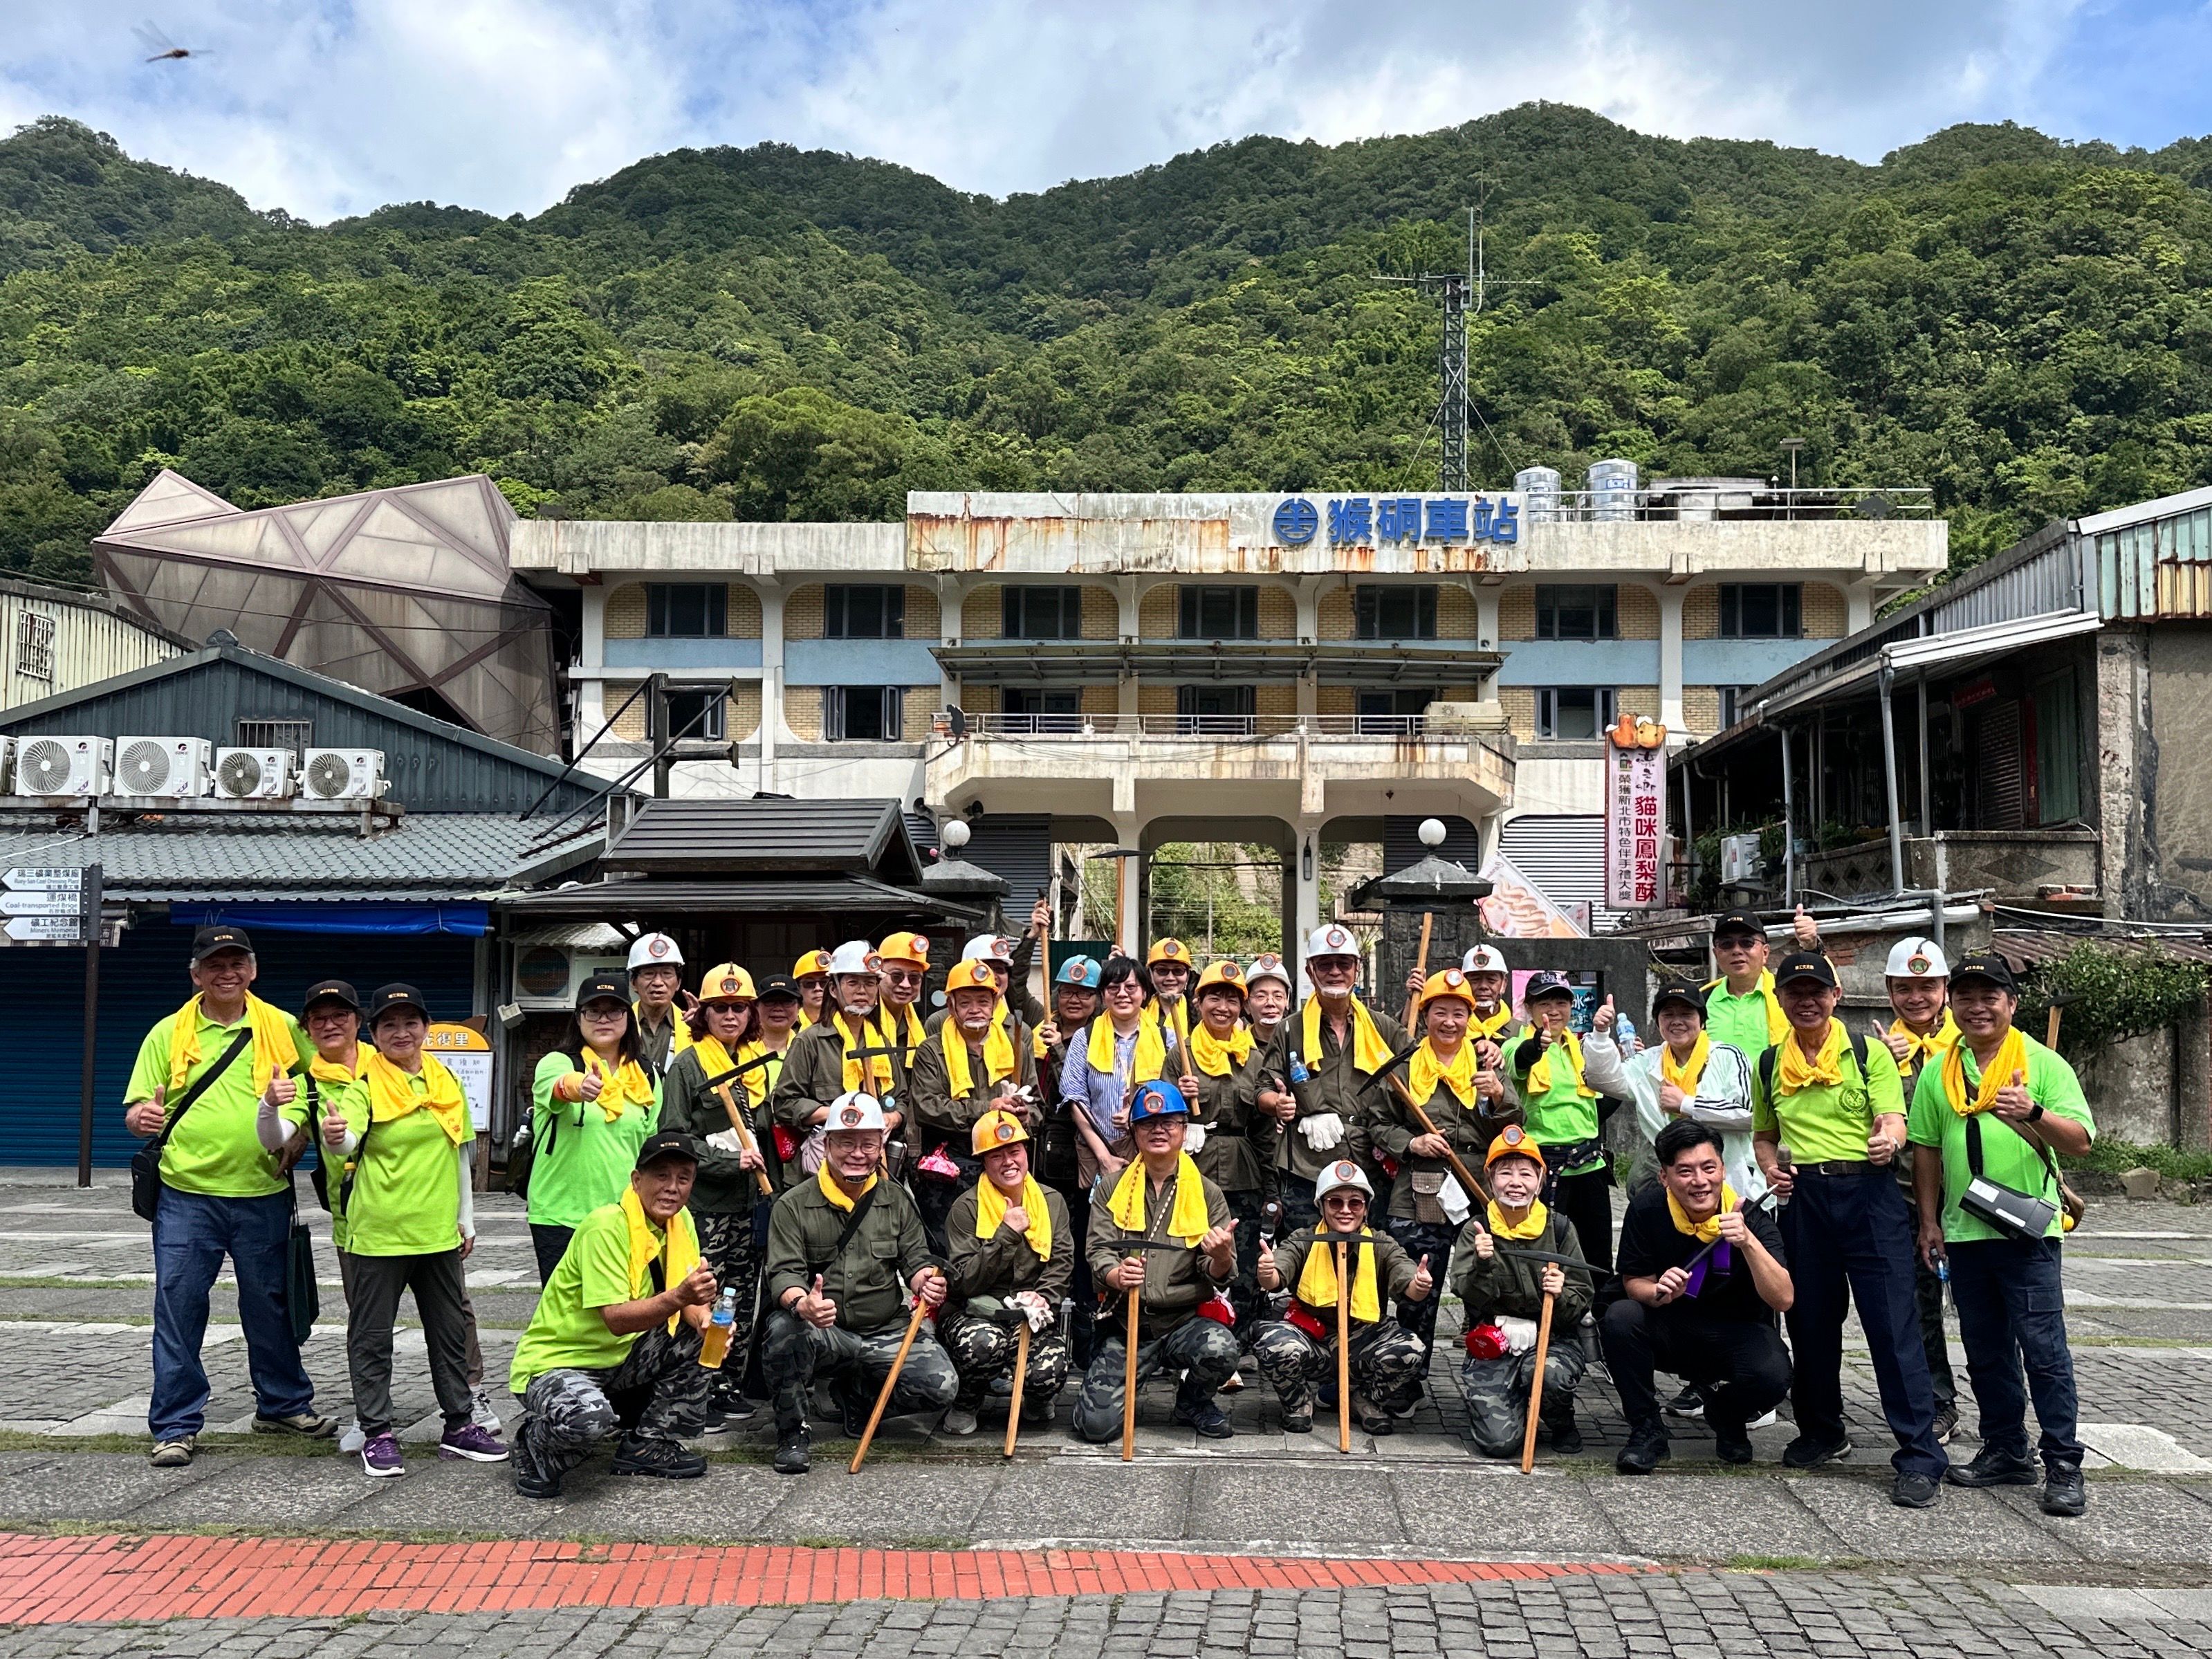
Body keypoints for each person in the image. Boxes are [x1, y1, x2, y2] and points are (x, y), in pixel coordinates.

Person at [125, 924, 331, 1468]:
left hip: (262, 1191)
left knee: (270, 1304)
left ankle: (283, 1404)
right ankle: (175, 1424)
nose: (227, 972)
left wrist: (304, 1132)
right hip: (186, 1195)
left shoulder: (283, 1027)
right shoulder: (167, 1034)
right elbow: (137, 1108)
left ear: (253, 970)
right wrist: (139, 1117)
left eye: (237, 962)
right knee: (179, 1307)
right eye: (215, 964)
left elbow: (320, 1085)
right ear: (196, 974)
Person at [1752, 950, 1948, 1507]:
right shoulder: (1770, 1063)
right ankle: (1822, 1429)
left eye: (1818, 991)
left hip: (1869, 1194)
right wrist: (1770, 1166)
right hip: (1804, 1200)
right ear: (1782, 1000)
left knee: (1892, 1324)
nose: (1807, 1000)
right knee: (1810, 1321)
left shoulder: (1867, 1053)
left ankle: (1919, 1453)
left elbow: (1894, 1118)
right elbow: (1764, 1134)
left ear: (1836, 996)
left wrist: (1889, 1137)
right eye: (1795, 992)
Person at [1908, 951, 2094, 1518]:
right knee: (1986, 1351)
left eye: (1990, 996)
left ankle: (2063, 1461)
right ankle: (2006, 1449)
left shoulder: (2040, 1064)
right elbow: (1926, 1148)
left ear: (2011, 1004)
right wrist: (1928, 1220)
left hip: (2028, 1234)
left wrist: (2034, 1111)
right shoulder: (1941, 1070)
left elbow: (2082, 1140)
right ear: (1951, 1004)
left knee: (2044, 1351)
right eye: (1965, 996)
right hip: (1965, 1234)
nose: (1977, 1006)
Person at [320, 984, 506, 1476]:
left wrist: (466, 1219)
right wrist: (338, 1137)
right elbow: (349, 1138)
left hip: (438, 1233)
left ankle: (460, 1426)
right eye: (388, 1025)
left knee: (448, 1334)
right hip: (379, 1233)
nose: (401, 1033)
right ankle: (377, 1432)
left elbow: (460, 1150)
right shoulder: (363, 1086)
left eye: (410, 1022)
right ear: (374, 1034)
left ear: (425, 1027)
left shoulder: (444, 1082)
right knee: (372, 1337)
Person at [508, 1131, 718, 1498]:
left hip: (621, 1359)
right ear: (637, 1181)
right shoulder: (606, 1226)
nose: (672, 1188)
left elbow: (687, 1297)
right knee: (589, 1424)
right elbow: (616, 1319)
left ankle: (647, 1444)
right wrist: (681, 1296)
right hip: (559, 1362)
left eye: (683, 1178)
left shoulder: (681, 1222)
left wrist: (705, 1322)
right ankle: (533, 1441)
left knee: (700, 1341)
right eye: (661, 1176)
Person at [760, 1092, 955, 1474]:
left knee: (941, 1386)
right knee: (784, 1331)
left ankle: (858, 1397)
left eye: (868, 1143)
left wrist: (925, 1283)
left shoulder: (896, 1199)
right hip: (825, 1330)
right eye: (846, 1143)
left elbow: (915, 1259)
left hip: (886, 1328)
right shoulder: (793, 1205)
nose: (857, 1153)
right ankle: (793, 1433)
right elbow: (783, 1273)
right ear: (828, 1144)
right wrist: (803, 1304)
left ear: (881, 1146)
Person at [1604, 1118, 1795, 1473]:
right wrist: (1660, 1292)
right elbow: (1634, 1282)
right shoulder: (1648, 1210)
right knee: (1620, 1317)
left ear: (1723, 1169)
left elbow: (1783, 1298)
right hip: (1671, 1325)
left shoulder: (1749, 1215)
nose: (1700, 1181)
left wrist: (1748, 1243)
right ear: (1665, 1177)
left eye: (1709, 1168)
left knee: (1773, 1374)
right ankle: (1647, 1431)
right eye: (1685, 1171)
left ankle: (1726, 1415)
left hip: (1735, 1331)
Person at [1070, 1081, 1242, 1442]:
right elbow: (1097, 1250)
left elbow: (1219, 1276)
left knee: (1221, 1347)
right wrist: (1115, 1274)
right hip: (1126, 1323)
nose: (1159, 1130)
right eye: (1148, 1123)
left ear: (1183, 1130)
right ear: (1134, 1132)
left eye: (1169, 1122)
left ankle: (1193, 1402)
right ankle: (1120, 1387)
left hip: (1182, 1321)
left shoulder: (1207, 1193)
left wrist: (1221, 1256)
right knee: (1095, 1427)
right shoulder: (1112, 1187)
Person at [1374, 968, 1515, 1357]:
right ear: (1426, 1014)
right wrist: (1412, 1141)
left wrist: (1500, 1096)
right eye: (1440, 1012)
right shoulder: (1404, 1067)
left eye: (1459, 1013)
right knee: (1417, 1287)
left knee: (1486, 1285)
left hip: (1478, 1189)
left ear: (1470, 1017)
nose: (1450, 1022)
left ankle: (1489, 1374)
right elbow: (1376, 1122)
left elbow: (1514, 1127)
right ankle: (1406, 1375)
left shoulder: (1488, 1064)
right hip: (1419, 1189)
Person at [654, 962, 771, 1426]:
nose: (730, 1016)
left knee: (738, 1298)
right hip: (706, 1209)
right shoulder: (689, 1064)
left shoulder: (755, 1064)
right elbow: (674, 1136)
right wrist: (726, 1160)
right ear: (704, 1013)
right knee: (706, 1298)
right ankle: (693, 1391)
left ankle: (726, 1383)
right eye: (720, 1008)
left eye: (739, 1008)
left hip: (750, 1206)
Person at [1253, 1160, 1432, 1436]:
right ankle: (1298, 1404)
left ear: (1366, 1208)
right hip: (1315, 1339)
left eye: (1355, 1203)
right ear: (1321, 1206)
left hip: (1363, 1340)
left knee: (1412, 1348)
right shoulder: (1304, 1239)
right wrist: (1267, 1271)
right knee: (1273, 1342)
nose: (1346, 1210)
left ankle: (1367, 1400)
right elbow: (1276, 1275)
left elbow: (1407, 1280)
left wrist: (1419, 1284)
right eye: (1335, 1202)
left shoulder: (1382, 1243)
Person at [1454, 1126, 1594, 1457]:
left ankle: (1560, 1419)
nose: (1515, 1182)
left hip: (1553, 1336)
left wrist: (1560, 1294)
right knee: (1497, 1444)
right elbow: (1463, 1289)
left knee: (1546, 1374)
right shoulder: (1477, 1230)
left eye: (1525, 1174)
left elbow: (1583, 1294)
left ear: (1540, 1180)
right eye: (1505, 1173)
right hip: (1495, 1336)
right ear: (1490, 1179)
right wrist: (1483, 1264)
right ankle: (1500, 1400)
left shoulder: (1560, 1228)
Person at [938, 1108, 1074, 1436]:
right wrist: (1007, 1235)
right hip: (977, 1310)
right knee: (983, 1345)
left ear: (1026, 1153)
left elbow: (1062, 1260)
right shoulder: (966, 1208)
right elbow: (962, 1280)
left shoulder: (1051, 1202)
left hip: (1030, 1312)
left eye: (1014, 1151)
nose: (1008, 1162)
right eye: (996, 1156)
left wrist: (1043, 1296)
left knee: (1050, 1370)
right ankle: (968, 1399)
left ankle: (1036, 1398)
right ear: (984, 1162)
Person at [1875, 935, 1963, 1445]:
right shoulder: (1876, 1048)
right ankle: (1937, 1400)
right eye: (1905, 988)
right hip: (1908, 1203)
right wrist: (1886, 1064)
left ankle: (2006, 1415)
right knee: (1920, 1307)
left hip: (1971, 1203)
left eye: (1927, 986)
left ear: (1945, 988)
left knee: (1982, 1312)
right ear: (1889, 990)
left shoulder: (1970, 1041)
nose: (1917, 998)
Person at [1277, 925, 1407, 1242]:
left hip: (1369, 1160)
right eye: (1325, 964)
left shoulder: (1384, 1029)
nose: (1335, 972)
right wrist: (1280, 1104)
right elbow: (1265, 1087)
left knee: (1371, 1261)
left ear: (1357, 969)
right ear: (1310, 970)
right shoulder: (1289, 1030)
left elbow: (1424, 1067)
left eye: (1344, 964)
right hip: (1308, 1165)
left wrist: (1484, 1051)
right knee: (1306, 1257)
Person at [528, 973, 659, 1285]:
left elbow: (649, 1148)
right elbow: (560, 1086)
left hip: (623, 1214)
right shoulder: (557, 1062)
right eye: (593, 1011)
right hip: (561, 1215)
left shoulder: (648, 1076)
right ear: (578, 1018)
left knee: (620, 1308)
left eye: (614, 1011)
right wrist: (580, 1086)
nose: (604, 1019)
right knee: (565, 1314)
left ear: (629, 1017)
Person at [1583, 979, 1762, 1201]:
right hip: (1673, 1184)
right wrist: (1601, 1034)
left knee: (1724, 1235)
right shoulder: (1647, 1061)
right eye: (1668, 1015)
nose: (1677, 1022)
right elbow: (1604, 1081)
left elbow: (1747, 1115)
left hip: (1727, 1184)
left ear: (1702, 1021)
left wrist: (1686, 1104)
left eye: (1686, 1014)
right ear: (1658, 1023)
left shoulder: (1729, 1056)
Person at [908, 959, 1038, 1252]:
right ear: (951, 1006)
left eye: (983, 1000)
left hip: (1004, 1158)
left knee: (1003, 1240)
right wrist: (987, 1109)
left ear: (995, 1002)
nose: (975, 1009)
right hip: (951, 1162)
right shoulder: (932, 1049)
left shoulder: (1015, 1046)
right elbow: (927, 1107)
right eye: (965, 1002)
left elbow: (1039, 1105)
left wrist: (1025, 1115)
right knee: (949, 1246)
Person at [1182, 960, 1276, 1341]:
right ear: (1198, 1002)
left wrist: (1272, 1189)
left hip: (1245, 1170)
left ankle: (1242, 1337)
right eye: (1214, 998)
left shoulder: (1255, 1059)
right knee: (1195, 1254)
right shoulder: (1182, 1053)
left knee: (1246, 1256)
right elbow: (1157, 1115)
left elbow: (1267, 1131)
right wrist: (1179, 1102)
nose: (1223, 1007)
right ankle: (1196, 1336)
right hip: (1194, 1171)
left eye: (1232, 1001)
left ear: (1243, 1008)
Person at [768, 941, 905, 1180]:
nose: (862, 991)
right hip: (821, 1169)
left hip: (873, 1164)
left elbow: (902, 1098)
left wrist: (892, 1117)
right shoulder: (810, 1041)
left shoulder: (881, 1042)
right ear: (834, 989)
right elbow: (784, 1104)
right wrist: (837, 1113)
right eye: (853, 982)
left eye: (870, 983)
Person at [1507, 973, 1615, 1273]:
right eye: (1544, 1003)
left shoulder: (1583, 1048)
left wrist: (1604, 1035)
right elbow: (1520, 1060)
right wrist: (1536, 1046)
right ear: (1528, 1007)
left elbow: (1610, 1093)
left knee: (1598, 1251)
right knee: (1545, 1251)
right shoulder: (1514, 1045)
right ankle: (1548, 1316)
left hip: (1590, 1163)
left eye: (1561, 1002)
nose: (1553, 1010)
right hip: (1544, 1166)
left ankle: (1600, 1314)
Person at [1035, 955, 1104, 1364]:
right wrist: (1030, 937)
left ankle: (1083, 1337)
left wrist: (1060, 1050)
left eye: (1083, 992)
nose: (1073, 999)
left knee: (1078, 1244)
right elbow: (1008, 988)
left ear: (1097, 999)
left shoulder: (1099, 1038)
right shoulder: (1040, 1024)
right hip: (1038, 1153)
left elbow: (1071, 1092)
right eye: (1066, 991)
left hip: (1080, 1154)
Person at [1058, 955, 1159, 1189]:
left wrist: (1138, 1113)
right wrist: (1104, 1157)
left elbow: (1170, 1097)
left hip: (1150, 1151)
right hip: (1097, 1151)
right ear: (1103, 996)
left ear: (1144, 993)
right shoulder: (1085, 1038)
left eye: (1131, 987)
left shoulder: (1166, 1039)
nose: (1122, 994)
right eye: (1113, 988)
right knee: (1098, 1222)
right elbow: (1077, 1101)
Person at [1703, 906, 1821, 1062]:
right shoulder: (1702, 1001)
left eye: (1747, 942)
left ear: (1765, 952)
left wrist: (1812, 948)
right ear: (1716, 954)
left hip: (1778, 1085)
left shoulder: (1787, 994)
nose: (1737, 950)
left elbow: (1825, 991)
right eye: (1726, 944)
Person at [627, 933, 695, 1074]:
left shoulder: (691, 1027)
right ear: (633, 983)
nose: (658, 983)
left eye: (667, 974)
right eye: (649, 974)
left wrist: (704, 1030)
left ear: (678, 983)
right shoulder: (620, 1024)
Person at [874, 932, 932, 1069]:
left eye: (914, 978)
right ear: (878, 975)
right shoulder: (861, 1020)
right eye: (897, 976)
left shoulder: (915, 1028)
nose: (905, 985)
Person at [1144, 937, 1195, 1056]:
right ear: (1151, 974)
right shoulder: (1138, 1009)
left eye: (1178, 971)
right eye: (1162, 971)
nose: (1170, 978)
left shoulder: (1199, 1013)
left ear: (1188, 976)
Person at [792, 948, 833, 1029]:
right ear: (798, 988)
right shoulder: (788, 1024)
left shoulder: (847, 1023)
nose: (818, 988)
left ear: (834, 987)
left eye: (824, 983)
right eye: (809, 984)